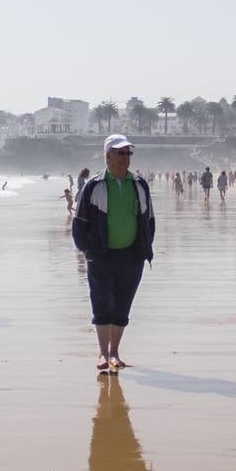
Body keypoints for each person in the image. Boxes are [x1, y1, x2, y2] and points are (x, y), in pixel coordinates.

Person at [73, 135, 155, 375]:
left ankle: (115, 352)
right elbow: (79, 223)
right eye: (120, 153)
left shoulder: (139, 184)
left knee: (122, 305)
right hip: (101, 256)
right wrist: (88, 250)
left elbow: (149, 219)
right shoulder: (94, 186)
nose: (125, 158)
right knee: (102, 302)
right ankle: (102, 352)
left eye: (128, 153)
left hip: (132, 256)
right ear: (107, 156)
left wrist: (144, 247)